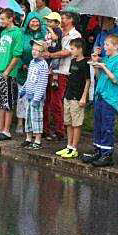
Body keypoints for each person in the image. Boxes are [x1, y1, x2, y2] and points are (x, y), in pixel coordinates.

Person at [80, 34, 118, 167]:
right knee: (98, 124)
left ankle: (107, 154)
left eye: (107, 45)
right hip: (100, 95)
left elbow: (115, 79)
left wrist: (103, 66)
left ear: (115, 46)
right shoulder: (106, 58)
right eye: (105, 44)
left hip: (110, 98)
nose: (105, 47)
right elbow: (99, 77)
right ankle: (98, 150)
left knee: (107, 126)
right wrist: (96, 65)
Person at [43, 10, 80, 139]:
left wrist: (50, 54)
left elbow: (68, 52)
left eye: (63, 18)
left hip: (63, 71)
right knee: (47, 100)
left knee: (56, 102)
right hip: (51, 69)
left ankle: (60, 130)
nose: (61, 20)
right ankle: (46, 129)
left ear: (71, 20)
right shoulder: (58, 32)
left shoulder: (75, 35)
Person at [0, 9, 24, 141]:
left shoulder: (17, 33)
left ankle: (6, 130)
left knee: (8, 102)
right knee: (0, 102)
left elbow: (17, 55)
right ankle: (0, 128)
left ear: (11, 18)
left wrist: (7, 71)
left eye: (3, 19)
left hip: (8, 73)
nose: (1, 21)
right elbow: (0, 51)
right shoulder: (3, 32)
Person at [56, 38, 89, 159]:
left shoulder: (85, 63)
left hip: (77, 97)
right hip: (68, 95)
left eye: (73, 49)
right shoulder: (73, 61)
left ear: (80, 49)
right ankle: (69, 146)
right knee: (68, 122)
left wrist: (84, 97)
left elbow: (87, 81)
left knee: (76, 123)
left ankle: (74, 147)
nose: (71, 51)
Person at [93, 16, 118, 112]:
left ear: (111, 20)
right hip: (103, 68)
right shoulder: (100, 35)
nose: (99, 23)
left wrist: (114, 63)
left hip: (116, 69)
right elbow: (96, 50)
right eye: (99, 20)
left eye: (101, 20)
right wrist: (96, 52)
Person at [20, 41, 50, 150]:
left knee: (36, 118)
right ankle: (28, 138)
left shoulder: (43, 65)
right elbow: (29, 79)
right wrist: (23, 90)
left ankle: (37, 140)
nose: (34, 52)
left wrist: (37, 98)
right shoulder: (32, 62)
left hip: (36, 97)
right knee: (27, 117)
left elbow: (42, 83)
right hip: (28, 94)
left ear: (43, 52)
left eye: (37, 50)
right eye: (33, 49)